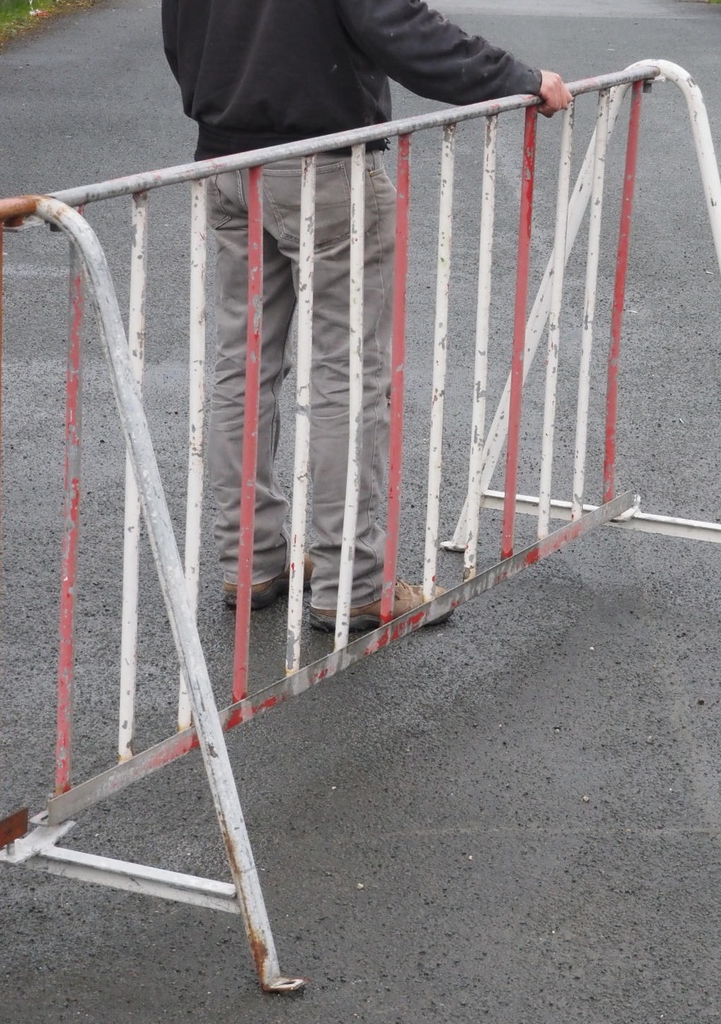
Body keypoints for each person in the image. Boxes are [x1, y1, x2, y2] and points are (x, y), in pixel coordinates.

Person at [161, 0, 572, 632]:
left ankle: (251, 563)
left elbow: (178, 35)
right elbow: (393, 24)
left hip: (225, 157)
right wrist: (518, 78)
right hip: (325, 163)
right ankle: (349, 583)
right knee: (345, 372)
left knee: (242, 364)